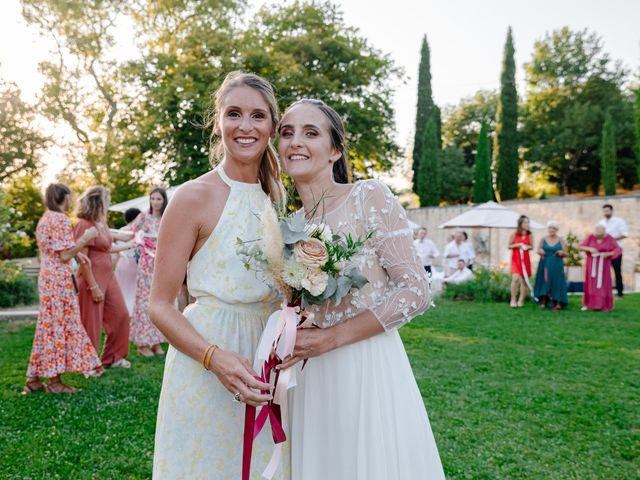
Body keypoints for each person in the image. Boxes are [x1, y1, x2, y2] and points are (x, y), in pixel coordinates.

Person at [277, 99, 444, 479]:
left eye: (310, 133)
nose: (295, 142)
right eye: (287, 133)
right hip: (313, 377)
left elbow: (416, 291)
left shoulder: (369, 197)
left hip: (367, 366)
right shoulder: (288, 225)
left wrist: (333, 337)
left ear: (335, 150)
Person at [149, 72, 289, 479]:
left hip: (266, 361)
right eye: (234, 114)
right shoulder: (192, 196)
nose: (246, 126)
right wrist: (215, 359)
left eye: (258, 115)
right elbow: (159, 305)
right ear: (218, 123)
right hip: (205, 358)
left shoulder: (276, 196)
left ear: (272, 127)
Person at [23, 184, 103, 394]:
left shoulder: (46, 219)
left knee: (47, 327)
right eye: (69, 197)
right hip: (58, 280)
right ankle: (55, 381)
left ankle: (33, 379)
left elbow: (61, 250)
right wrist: (85, 239)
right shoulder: (59, 219)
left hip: (48, 278)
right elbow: (64, 255)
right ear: (63, 198)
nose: (71, 201)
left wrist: (78, 252)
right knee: (56, 327)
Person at [74, 186, 135, 369]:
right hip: (92, 277)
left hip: (109, 276)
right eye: (107, 200)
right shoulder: (84, 224)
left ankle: (113, 357)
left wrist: (130, 245)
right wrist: (93, 286)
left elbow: (106, 248)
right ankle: (89, 364)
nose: (109, 204)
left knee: (121, 315)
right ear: (97, 201)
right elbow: (82, 259)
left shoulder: (101, 223)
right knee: (91, 322)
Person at [129, 188, 167, 357]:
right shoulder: (144, 217)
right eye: (153, 198)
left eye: (159, 199)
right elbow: (131, 233)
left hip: (162, 263)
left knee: (161, 300)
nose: (155, 202)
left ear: (164, 200)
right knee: (145, 302)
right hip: (146, 264)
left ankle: (157, 342)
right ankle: (142, 343)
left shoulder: (167, 217)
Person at [579, 224, 621, 312]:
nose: (598, 237)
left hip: (604, 264)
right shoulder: (591, 237)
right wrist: (589, 248)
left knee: (603, 284)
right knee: (591, 284)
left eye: (600, 235)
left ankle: (604, 305)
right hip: (592, 264)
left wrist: (609, 254)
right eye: (597, 235)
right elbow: (580, 246)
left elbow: (618, 250)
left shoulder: (609, 238)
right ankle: (589, 304)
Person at [533, 220, 568, 310]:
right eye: (550, 228)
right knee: (544, 281)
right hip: (544, 263)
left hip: (557, 263)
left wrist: (561, 252)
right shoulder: (543, 239)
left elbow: (566, 253)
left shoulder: (561, 240)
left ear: (556, 230)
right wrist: (540, 251)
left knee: (557, 282)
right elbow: (538, 250)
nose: (551, 230)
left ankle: (558, 303)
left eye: (554, 228)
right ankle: (543, 302)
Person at [114, 207, 141, 317]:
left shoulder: (121, 230)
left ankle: (121, 312)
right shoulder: (139, 232)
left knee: (122, 290)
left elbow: (117, 252)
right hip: (134, 264)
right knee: (132, 291)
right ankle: (131, 314)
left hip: (122, 263)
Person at [598, 204, 628, 297]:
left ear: (611, 211)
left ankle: (620, 293)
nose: (606, 212)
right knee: (602, 272)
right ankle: (604, 292)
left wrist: (611, 240)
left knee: (617, 271)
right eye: (604, 211)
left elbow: (624, 234)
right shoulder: (601, 223)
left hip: (616, 251)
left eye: (607, 211)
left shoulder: (619, 221)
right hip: (604, 252)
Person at [508, 215, 533, 308]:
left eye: (528, 222)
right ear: (520, 223)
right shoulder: (514, 234)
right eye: (525, 222)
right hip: (516, 259)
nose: (527, 224)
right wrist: (518, 245)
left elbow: (531, 246)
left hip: (525, 259)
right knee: (515, 279)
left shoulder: (529, 235)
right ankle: (513, 299)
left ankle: (521, 300)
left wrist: (526, 247)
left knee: (524, 280)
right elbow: (509, 246)